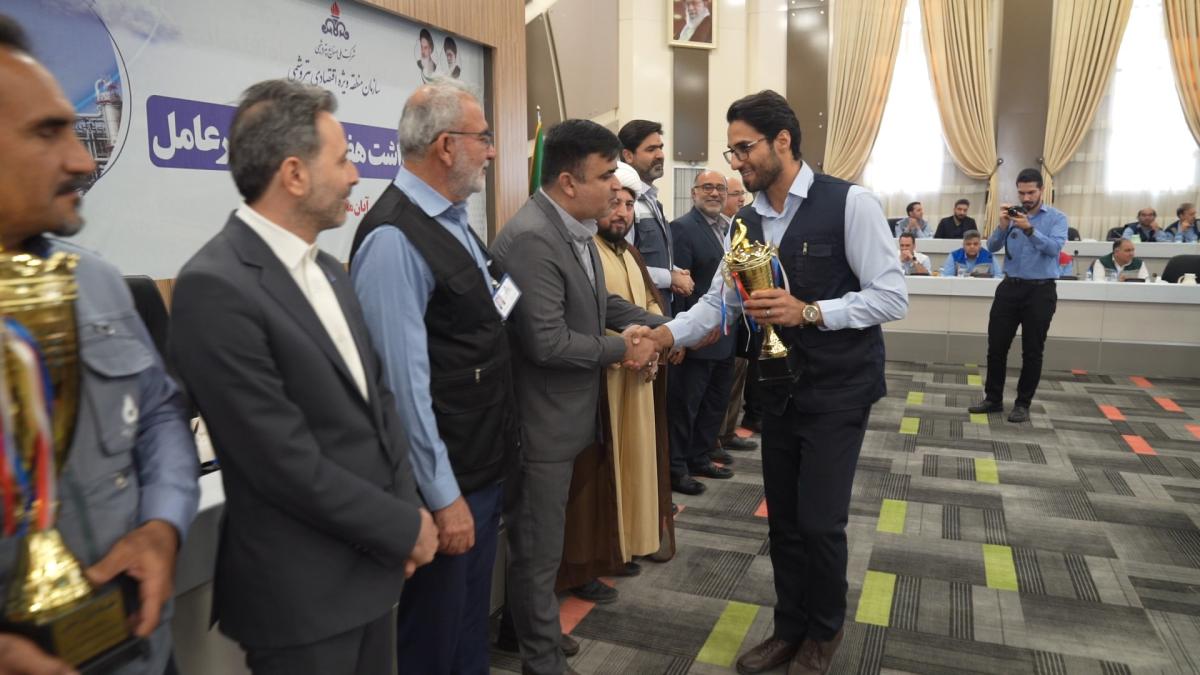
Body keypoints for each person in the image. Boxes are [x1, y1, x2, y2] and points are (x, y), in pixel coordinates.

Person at [169, 80, 438, 675]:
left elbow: (379, 406)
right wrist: (402, 527)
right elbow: (281, 462)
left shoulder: (330, 271)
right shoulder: (215, 286)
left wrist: (405, 515)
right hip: (301, 599)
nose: (355, 176)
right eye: (342, 161)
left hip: (372, 573)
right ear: (293, 174)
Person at [640, 89, 908, 675]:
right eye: (732, 152)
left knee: (820, 521)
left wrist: (810, 311)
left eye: (745, 149)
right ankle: (790, 628)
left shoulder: (850, 203)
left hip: (839, 389)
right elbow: (721, 303)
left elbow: (892, 297)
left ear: (782, 140)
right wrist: (665, 335)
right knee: (783, 520)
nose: (737, 163)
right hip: (777, 390)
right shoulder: (747, 220)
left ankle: (824, 632)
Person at [0, 17, 199, 674]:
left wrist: (162, 524)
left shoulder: (98, 283)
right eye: (46, 132)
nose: (83, 160)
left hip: (141, 647)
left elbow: (161, 412)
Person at [490, 119, 669, 675]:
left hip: (569, 417)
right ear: (568, 182)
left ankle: (529, 631)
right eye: (607, 174)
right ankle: (541, 661)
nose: (617, 186)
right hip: (540, 425)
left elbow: (598, 305)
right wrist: (624, 348)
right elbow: (546, 342)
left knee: (546, 543)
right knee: (538, 550)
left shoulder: (576, 229)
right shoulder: (532, 239)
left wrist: (659, 328)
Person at [348, 80, 515, 675]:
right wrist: (444, 499)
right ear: (446, 146)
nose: (491, 151)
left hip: (480, 466)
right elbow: (401, 390)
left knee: (469, 631)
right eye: (483, 138)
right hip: (446, 485)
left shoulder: (453, 221)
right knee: (434, 642)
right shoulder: (393, 239)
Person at [556, 161, 675, 598]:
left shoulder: (627, 252)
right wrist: (634, 345)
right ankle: (592, 560)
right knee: (600, 476)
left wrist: (657, 338)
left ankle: (624, 546)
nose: (621, 212)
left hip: (635, 373)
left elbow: (643, 303)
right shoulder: (581, 248)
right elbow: (586, 316)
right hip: (602, 380)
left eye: (628, 204)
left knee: (634, 466)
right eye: (614, 202)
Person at [968, 168, 1068, 424]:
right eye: (1021, 193)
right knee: (996, 347)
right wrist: (1002, 226)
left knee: (1032, 351)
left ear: (1042, 190)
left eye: (1031, 192)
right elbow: (991, 247)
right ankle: (993, 399)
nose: (1026, 198)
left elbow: (1054, 249)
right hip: (1009, 288)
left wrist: (1030, 229)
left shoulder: (1056, 218)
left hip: (1040, 291)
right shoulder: (1012, 216)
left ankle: (1023, 404)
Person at [667, 170, 738, 495]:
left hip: (725, 335)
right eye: (707, 187)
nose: (714, 193)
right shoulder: (682, 228)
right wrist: (681, 336)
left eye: (720, 188)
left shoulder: (729, 229)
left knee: (714, 403)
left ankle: (700, 457)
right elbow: (680, 287)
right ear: (693, 192)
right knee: (686, 407)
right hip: (696, 336)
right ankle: (677, 468)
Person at [618, 119, 692, 313]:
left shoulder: (652, 200)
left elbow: (651, 257)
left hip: (661, 311)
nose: (660, 155)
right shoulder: (625, 205)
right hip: (638, 315)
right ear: (628, 156)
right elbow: (623, 266)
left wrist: (675, 272)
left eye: (660, 148)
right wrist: (670, 278)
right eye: (651, 149)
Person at [717, 175, 759, 453]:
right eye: (735, 194)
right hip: (719, 320)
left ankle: (728, 433)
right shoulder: (691, 228)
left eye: (742, 194)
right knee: (720, 386)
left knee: (736, 383)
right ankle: (716, 439)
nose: (741, 199)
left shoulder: (740, 226)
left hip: (742, 323)